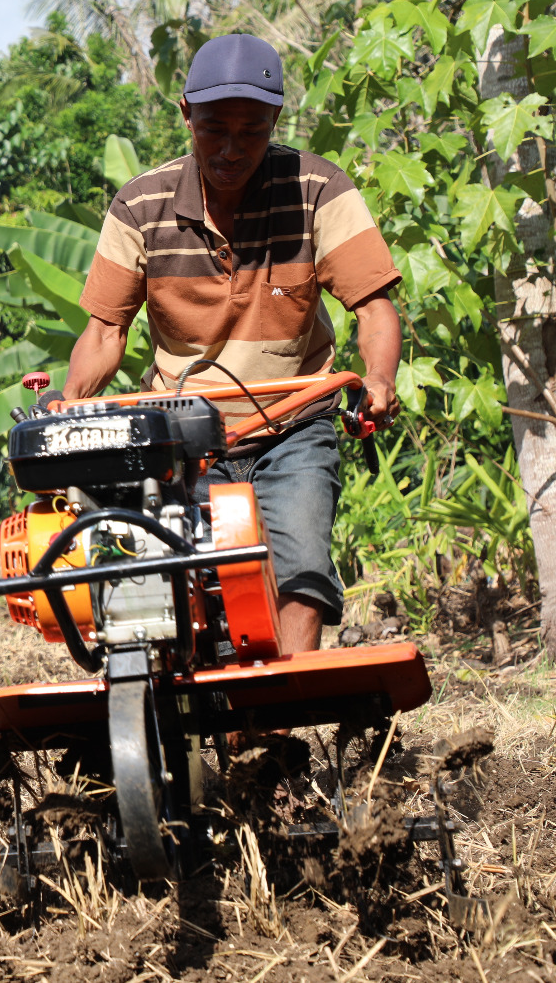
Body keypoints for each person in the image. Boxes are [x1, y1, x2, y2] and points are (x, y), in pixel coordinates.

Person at [60, 33, 402, 654]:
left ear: (275, 121)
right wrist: (69, 404)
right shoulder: (141, 205)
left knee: (300, 571)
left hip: (294, 420)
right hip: (184, 431)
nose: (231, 148)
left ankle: (275, 733)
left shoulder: (318, 189)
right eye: (215, 128)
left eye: (252, 131)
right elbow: (106, 331)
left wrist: (378, 379)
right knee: (171, 582)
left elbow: (374, 306)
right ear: (187, 114)